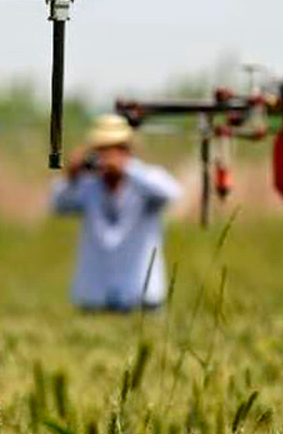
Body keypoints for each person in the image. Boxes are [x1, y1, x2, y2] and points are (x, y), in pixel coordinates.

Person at [50, 113, 183, 313]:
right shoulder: (87, 186)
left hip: (141, 297)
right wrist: (71, 176)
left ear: (127, 150)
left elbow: (171, 193)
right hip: (95, 298)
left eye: (115, 149)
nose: (107, 158)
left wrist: (126, 168)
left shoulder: (145, 181)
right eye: (102, 150)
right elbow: (57, 204)